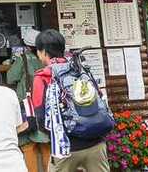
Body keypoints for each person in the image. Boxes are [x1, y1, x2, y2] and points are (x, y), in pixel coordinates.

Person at [31, 29, 110, 172]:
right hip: (96, 144)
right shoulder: (80, 68)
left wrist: (57, 136)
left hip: (65, 148)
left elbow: (41, 117)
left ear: (43, 52)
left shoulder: (42, 77)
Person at [7, 28, 51, 172]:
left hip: (27, 106)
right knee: (46, 145)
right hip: (44, 105)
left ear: (26, 44)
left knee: (27, 146)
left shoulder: (23, 58)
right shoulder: (47, 58)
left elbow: (10, 78)